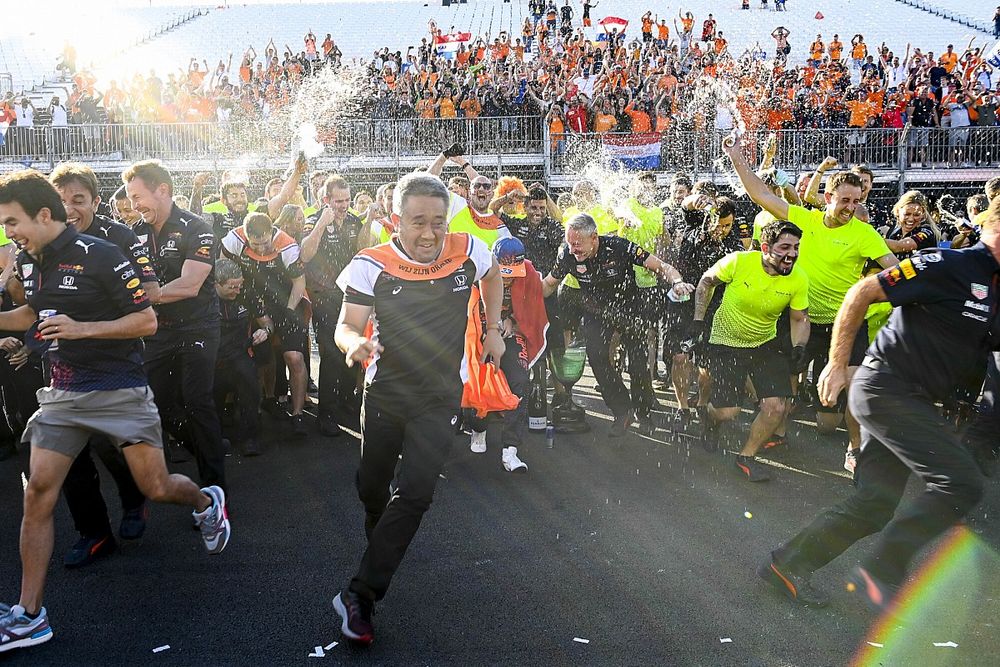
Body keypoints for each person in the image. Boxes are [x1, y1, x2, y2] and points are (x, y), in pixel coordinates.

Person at [0, 171, 229, 655]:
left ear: (43, 216)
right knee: (39, 492)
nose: (9, 233)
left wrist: (80, 330)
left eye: (12, 222)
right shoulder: (29, 260)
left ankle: (207, 503)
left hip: (120, 391)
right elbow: (30, 315)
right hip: (62, 394)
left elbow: (146, 319)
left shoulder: (104, 254)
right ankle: (29, 615)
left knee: (157, 487)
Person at [759, 196, 1000, 611]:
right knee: (961, 483)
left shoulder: (995, 291)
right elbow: (863, 291)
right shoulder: (947, 263)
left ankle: (787, 564)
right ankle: (883, 570)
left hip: (915, 400)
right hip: (886, 388)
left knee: (875, 504)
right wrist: (837, 363)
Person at [331, 173, 505, 646]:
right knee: (372, 487)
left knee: (416, 493)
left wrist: (493, 328)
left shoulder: (468, 249)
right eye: (417, 223)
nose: (429, 235)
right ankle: (380, 541)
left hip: (439, 396)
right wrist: (355, 345)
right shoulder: (372, 264)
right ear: (395, 222)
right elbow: (346, 325)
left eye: (437, 223)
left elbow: (491, 276)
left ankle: (361, 594)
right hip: (385, 393)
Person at [723, 135, 897, 472]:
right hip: (802, 320)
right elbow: (759, 193)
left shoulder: (864, 233)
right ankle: (781, 433)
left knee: (853, 388)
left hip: (846, 325)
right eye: (844, 200)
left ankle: (855, 448)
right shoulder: (807, 219)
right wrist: (735, 155)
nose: (850, 207)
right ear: (827, 197)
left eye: (856, 200)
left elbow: (893, 266)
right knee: (792, 390)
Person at [49, 162, 161, 567]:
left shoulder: (120, 237)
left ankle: (134, 501)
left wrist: (90, 319)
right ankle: (94, 533)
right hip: (62, 366)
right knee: (70, 454)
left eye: (78, 200)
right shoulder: (45, 242)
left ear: (96, 201)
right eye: (61, 201)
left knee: (110, 443)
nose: (69, 209)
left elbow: (148, 293)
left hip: (116, 362)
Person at [125, 160, 228, 493]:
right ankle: (209, 450)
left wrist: (144, 298)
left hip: (199, 327)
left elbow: (189, 285)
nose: (133, 205)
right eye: (129, 198)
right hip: (158, 330)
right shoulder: (135, 233)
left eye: (138, 197)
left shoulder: (197, 227)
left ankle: (215, 489)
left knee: (198, 401)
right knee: (156, 402)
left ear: (163, 190)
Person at [541, 214, 694, 436]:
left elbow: (662, 266)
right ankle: (622, 411)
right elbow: (548, 284)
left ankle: (644, 413)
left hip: (629, 309)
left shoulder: (619, 246)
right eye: (570, 243)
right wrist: (524, 298)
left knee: (639, 365)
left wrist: (677, 282)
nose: (573, 249)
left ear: (594, 237)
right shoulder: (567, 254)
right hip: (596, 310)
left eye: (578, 244)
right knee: (596, 356)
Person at [688, 221, 810, 481]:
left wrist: (800, 346)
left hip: (764, 344)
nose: (792, 254)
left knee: (777, 408)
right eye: (785, 247)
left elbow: (799, 318)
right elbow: (706, 282)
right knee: (727, 412)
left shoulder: (799, 278)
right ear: (766, 247)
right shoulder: (739, 261)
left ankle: (746, 456)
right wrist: (698, 322)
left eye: (796, 247)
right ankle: (710, 421)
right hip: (725, 343)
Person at [221, 212, 309, 436]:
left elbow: (299, 282)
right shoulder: (234, 238)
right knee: (261, 352)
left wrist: (289, 311)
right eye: (255, 244)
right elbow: (222, 268)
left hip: (288, 300)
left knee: (293, 356)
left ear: (272, 232)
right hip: (251, 299)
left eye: (265, 243)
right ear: (246, 235)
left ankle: (298, 414)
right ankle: (265, 400)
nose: (260, 249)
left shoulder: (287, 245)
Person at [467, 237, 549, 472]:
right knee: (479, 383)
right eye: (503, 272)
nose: (508, 277)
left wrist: (513, 322)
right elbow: (466, 308)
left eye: (513, 272)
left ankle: (510, 450)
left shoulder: (530, 273)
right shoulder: (476, 270)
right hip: (479, 332)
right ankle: (478, 429)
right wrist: (485, 331)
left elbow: (533, 309)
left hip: (513, 334)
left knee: (520, 382)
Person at [301, 174, 363, 436]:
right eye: (338, 201)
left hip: (352, 294)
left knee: (353, 350)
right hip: (324, 295)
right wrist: (321, 225)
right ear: (325, 200)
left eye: (347, 200)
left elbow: (363, 252)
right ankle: (325, 414)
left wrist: (368, 221)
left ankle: (348, 402)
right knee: (330, 355)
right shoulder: (312, 221)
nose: (344, 205)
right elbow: (304, 255)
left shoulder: (353, 220)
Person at [213, 258, 268, 456]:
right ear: (216, 284)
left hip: (240, 353)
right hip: (213, 357)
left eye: (240, 285)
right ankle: (213, 439)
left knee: (250, 387)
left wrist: (266, 332)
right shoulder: (203, 298)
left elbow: (267, 322)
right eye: (231, 287)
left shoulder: (247, 295)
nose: (237, 290)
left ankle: (250, 439)